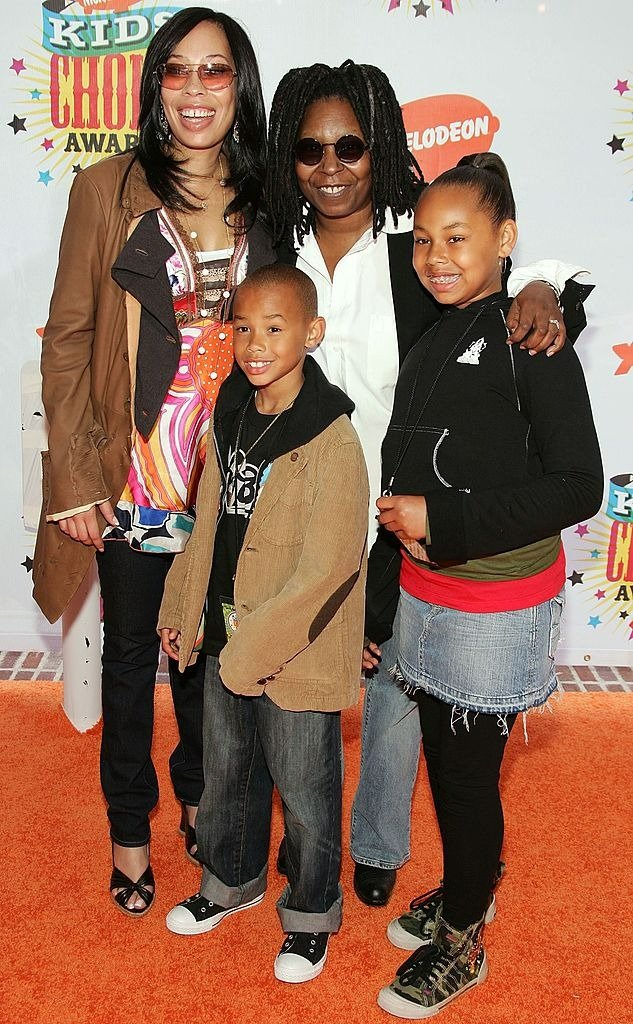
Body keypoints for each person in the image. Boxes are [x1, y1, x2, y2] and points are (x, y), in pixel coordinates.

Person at [265, 59, 592, 907]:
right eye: (309, 147)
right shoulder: (278, 241)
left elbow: (491, 264)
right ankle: (308, 839)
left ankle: (378, 850)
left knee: (394, 690)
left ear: (379, 150)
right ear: (288, 157)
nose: (330, 162)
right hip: (301, 508)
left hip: (400, 508)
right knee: (299, 671)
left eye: (349, 144)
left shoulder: (413, 233)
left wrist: (547, 288)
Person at [32, 6, 274, 916]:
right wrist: (75, 485)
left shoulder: (268, 196)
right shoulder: (107, 190)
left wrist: (536, 281)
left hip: (233, 483)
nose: (196, 91)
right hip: (136, 478)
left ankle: (204, 796)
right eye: (177, 71)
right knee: (133, 661)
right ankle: (129, 830)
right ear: (154, 86)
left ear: (240, 86)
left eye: (215, 72)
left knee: (209, 659)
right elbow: (68, 343)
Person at [359, 152, 603, 1017]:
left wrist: (541, 288)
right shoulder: (436, 324)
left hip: (495, 605)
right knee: (449, 763)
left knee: (464, 778)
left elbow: (580, 486)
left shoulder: (532, 337)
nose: (433, 255)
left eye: (457, 238)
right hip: (428, 597)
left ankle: (463, 933)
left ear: (503, 239)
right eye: (423, 238)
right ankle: (468, 884)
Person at [158, 263, 369, 984]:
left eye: (274, 328)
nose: (254, 343)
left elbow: (331, 566)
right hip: (225, 638)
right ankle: (231, 880)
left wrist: (255, 651)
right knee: (225, 774)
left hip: (293, 654)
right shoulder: (229, 412)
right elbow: (206, 522)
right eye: (242, 327)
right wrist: (182, 608)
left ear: (311, 333)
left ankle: (310, 912)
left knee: (305, 790)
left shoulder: (331, 435)